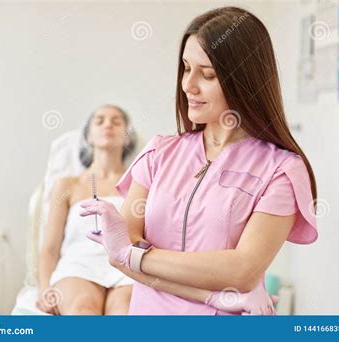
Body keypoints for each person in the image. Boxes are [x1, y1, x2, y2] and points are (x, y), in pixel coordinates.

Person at [81, 6, 318, 315]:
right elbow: (118, 256)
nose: (188, 85)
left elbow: (240, 271)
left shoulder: (281, 171)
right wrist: (216, 297)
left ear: (244, 79)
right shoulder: (158, 154)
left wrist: (133, 253)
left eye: (207, 74)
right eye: (185, 68)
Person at [36, 104, 136, 315]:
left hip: (125, 266)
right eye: (99, 120)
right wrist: (44, 288)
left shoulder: (139, 183)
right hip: (78, 266)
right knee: (82, 308)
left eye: (116, 121)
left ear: (127, 137)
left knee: (124, 310)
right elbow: (50, 247)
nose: (108, 124)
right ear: (88, 136)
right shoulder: (68, 185)